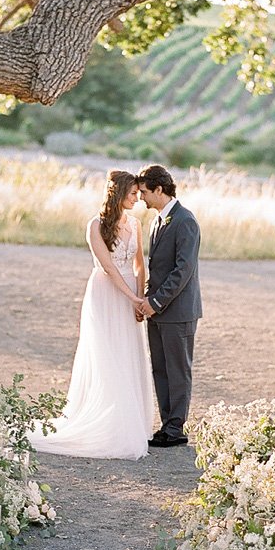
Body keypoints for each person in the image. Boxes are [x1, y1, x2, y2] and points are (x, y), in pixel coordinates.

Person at [30, 170, 153, 460]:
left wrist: (141, 297)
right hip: (105, 293)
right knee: (106, 352)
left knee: (129, 351)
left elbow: (139, 264)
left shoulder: (135, 224)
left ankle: (131, 420)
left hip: (130, 295)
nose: (137, 198)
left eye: (138, 193)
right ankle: (110, 424)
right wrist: (132, 296)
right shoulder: (95, 226)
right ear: (118, 193)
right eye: (132, 193)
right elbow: (108, 267)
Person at [136, 164, 202, 448]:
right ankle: (167, 426)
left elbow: (183, 270)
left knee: (178, 370)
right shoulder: (156, 221)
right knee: (160, 369)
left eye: (144, 192)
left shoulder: (185, 220)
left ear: (159, 189)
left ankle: (176, 429)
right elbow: (157, 269)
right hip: (157, 311)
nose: (141, 198)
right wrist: (147, 302)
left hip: (178, 312)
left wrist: (157, 302)